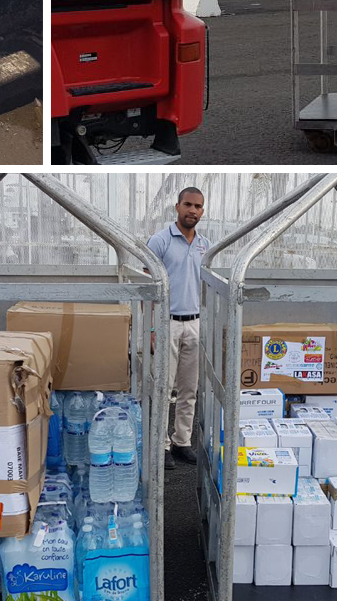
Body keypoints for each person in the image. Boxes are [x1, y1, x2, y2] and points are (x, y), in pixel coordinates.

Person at [146, 186, 209, 470]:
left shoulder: (205, 246)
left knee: (189, 389)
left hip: (194, 324)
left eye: (197, 206)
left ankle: (182, 441)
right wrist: (151, 328)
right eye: (188, 205)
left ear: (202, 211)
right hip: (166, 324)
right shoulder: (160, 241)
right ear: (177, 207)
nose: (192, 210)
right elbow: (147, 286)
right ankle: (161, 446)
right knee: (163, 388)